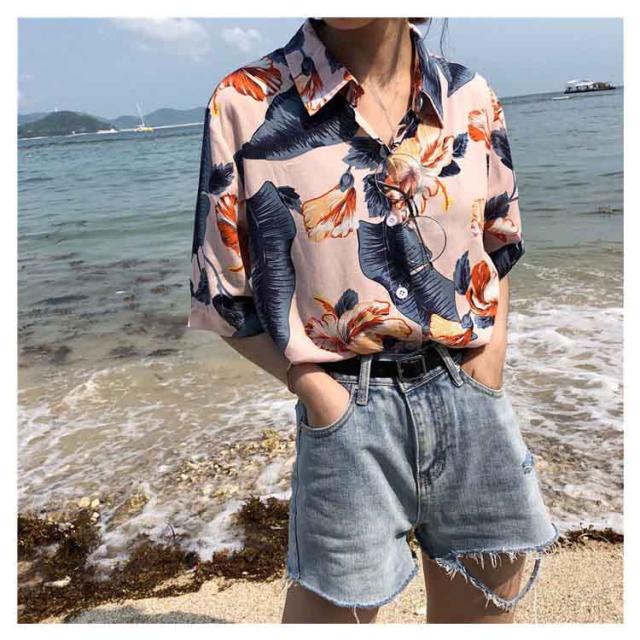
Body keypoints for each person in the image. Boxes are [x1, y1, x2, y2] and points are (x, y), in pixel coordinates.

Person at [187, 16, 559, 624]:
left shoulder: (469, 96)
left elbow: (499, 242)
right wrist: (315, 390)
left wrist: (489, 365)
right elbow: (223, 293)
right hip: (346, 411)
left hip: (470, 391)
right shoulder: (246, 102)